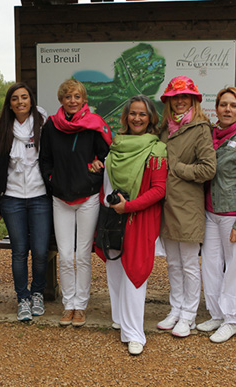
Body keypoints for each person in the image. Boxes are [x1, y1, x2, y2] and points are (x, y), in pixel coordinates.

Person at [95, 95, 167, 356]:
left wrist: (129, 206)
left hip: (139, 216)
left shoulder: (156, 149)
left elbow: (159, 189)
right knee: (114, 266)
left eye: (143, 114)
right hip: (113, 215)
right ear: (126, 117)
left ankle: (135, 333)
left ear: (150, 119)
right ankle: (120, 319)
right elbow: (107, 181)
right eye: (133, 113)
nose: (137, 118)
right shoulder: (116, 146)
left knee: (135, 272)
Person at [39, 79, 111, 327]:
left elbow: (106, 156)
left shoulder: (94, 124)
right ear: (61, 99)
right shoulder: (51, 126)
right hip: (60, 198)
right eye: (68, 96)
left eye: (77, 97)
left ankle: (81, 305)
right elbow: (44, 158)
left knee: (82, 255)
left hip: (87, 197)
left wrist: (95, 170)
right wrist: (52, 180)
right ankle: (68, 304)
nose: (72, 100)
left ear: (84, 100)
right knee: (65, 256)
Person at [198, 87, 236, 343]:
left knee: (235, 267)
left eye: (233, 106)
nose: (227, 109)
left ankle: (232, 319)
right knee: (211, 265)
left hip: (234, 214)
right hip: (210, 212)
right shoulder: (210, 137)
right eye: (223, 104)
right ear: (217, 108)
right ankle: (216, 313)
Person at [156, 76, 216, 337]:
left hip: (187, 207)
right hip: (165, 205)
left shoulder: (201, 128)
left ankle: (189, 315)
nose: (180, 101)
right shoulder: (163, 129)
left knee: (189, 263)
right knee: (172, 263)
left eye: (184, 97)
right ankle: (176, 308)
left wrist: (177, 167)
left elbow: (208, 168)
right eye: (175, 97)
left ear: (193, 100)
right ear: (169, 101)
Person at [0, 83, 51, 322]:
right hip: (12, 198)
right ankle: (23, 298)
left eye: (24, 97)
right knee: (19, 252)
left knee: (39, 251)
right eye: (15, 99)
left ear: (31, 100)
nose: (20, 102)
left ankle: (37, 293)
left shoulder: (43, 123)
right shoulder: (4, 129)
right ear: (10, 104)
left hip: (39, 196)